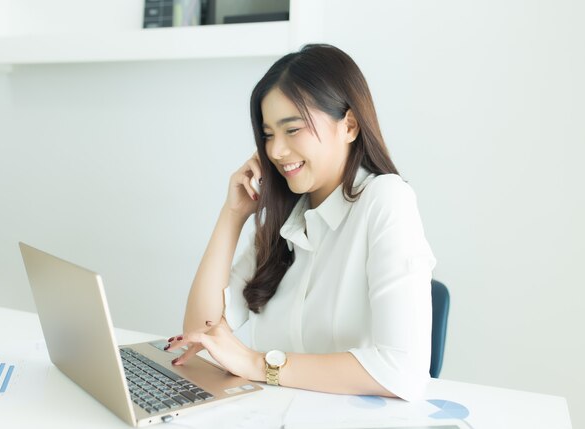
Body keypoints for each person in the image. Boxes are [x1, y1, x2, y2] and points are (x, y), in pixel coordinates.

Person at [165, 44, 436, 401]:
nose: (275, 151)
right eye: (268, 134)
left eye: (292, 130)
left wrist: (258, 364)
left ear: (349, 125)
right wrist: (232, 217)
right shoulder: (286, 220)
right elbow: (200, 335)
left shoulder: (386, 199)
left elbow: (404, 370)